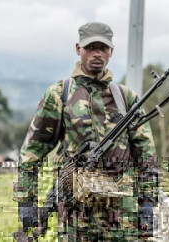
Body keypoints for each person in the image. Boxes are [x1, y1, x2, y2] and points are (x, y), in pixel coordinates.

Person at [13, 22, 157, 241]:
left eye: (103, 48)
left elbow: (146, 155)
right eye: (91, 47)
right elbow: (32, 150)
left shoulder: (126, 98)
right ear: (78, 49)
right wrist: (26, 200)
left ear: (111, 52)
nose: (97, 53)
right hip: (75, 214)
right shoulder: (60, 94)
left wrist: (147, 202)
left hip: (122, 214)